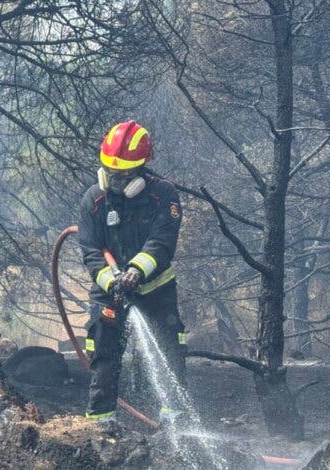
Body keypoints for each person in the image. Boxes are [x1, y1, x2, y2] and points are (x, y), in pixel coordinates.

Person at [78, 120, 186, 426]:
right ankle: (100, 423)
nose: (114, 180)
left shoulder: (163, 195)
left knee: (170, 349)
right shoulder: (93, 201)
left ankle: (175, 422)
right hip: (109, 291)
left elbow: (161, 243)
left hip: (156, 291)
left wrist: (136, 271)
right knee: (103, 352)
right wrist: (110, 281)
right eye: (110, 172)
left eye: (123, 175)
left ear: (140, 170)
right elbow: (91, 251)